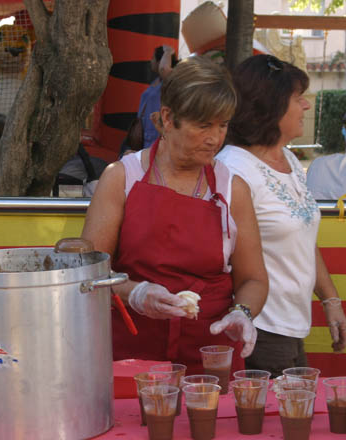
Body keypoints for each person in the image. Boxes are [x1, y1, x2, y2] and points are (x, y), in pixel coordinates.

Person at [81, 56, 268, 375]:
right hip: (130, 355)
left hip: (211, 356)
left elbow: (253, 278)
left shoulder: (232, 189)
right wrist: (135, 293)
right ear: (168, 118)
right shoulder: (121, 178)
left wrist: (242, 312)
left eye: (222, 125)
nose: (215, 138)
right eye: (203, 125)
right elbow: (88, 274)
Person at [217, 55, 346, 377]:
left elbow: (302, 235)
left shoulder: (288, 159)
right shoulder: (233, 168)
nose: (305, 105)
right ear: (269, 106)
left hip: (292, 325)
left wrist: (331, 300)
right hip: (260, 327)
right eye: (296, 98)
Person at [136, 45, 177, 149]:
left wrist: (167, 52)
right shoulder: (157, 81)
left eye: (153, 58)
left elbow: (164, 69)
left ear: (160, 61)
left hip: (155, 134)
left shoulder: (168, 81)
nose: (150, 61)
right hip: (145, 132)